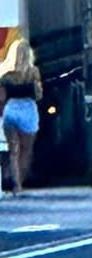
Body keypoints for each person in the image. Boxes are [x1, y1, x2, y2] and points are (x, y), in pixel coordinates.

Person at [0, 40, 41, 196]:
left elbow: (1, 99)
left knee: (13, 151)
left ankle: (15, 184)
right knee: (26, 151)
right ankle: (20, 184)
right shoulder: (33, 72)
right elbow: (38, 95)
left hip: (11, 110)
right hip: (28, 111)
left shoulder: (6, 76)